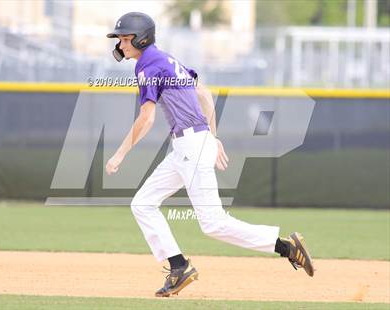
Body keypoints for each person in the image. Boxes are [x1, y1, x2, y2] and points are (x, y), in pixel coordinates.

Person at [106, 12, 314, 298]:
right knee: (142, 204)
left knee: (214, 224)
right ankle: (179, 266)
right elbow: (204, 94)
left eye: (125, 38)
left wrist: (119, 154)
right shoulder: (167, 60)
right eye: (119, 38)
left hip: (191, 147)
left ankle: (288, 248)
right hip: (187, 147)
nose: (120, 44)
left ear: (141, 39)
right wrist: (211, 136)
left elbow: (147, 118)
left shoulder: (147, 66)